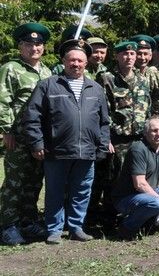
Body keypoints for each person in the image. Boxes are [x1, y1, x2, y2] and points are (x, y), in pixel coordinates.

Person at [23, 38, 111, 244]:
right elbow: (32, 116)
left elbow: (104, 122)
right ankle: (54, 229)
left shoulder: (95, 88)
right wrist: (37, 143)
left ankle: (75, 227)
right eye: (71, 60)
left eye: (80, 61)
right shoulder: (48, 85)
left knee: (81, 191)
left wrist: (101, 145)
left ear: (86, 63)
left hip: (87, 150)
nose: (76, 64)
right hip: (57, 150)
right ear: (64, 61)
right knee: (54, 191)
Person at [0, 22, 53, 245]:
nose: (34, 48)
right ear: (21, 46)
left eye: (38, 44)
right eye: (29, 44)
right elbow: (3, 101)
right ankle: (7, 225)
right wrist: (6, 131)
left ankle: (27, 222)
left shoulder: (47, 72)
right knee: (15, 183)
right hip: (18, 137)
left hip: (38, 138)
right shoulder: (11, 68)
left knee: (34, 182)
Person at [92, 40, 151, 225]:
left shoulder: (142, 79)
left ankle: (134, 212)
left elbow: (147, 109)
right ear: (117, 56)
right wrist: (106, 137)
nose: (129, 57)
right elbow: (101, 111)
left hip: (139, 138)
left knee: (137, 176)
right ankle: (110, 216)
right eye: (124, 54)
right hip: (117, 138)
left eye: (132, 54)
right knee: (114, 178)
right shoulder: (107, 78)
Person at [112, 115, 159, 240]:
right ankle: (127, 228)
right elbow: (139, 184)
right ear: (146, 132)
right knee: (156, 203)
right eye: (154, 130)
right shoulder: (138, 149)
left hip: (151, 193)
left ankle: (148, 223)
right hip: (127, 197)